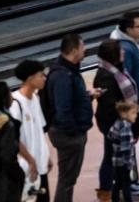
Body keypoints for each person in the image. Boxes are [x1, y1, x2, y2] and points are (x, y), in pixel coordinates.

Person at [46, 33, 98, 202]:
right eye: (83, 47)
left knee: (68, 178)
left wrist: (87, 96)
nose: (85, 50)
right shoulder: (63, 75)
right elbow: (63, 109)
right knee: (67, 179)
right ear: (74, 50)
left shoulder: (66, 71)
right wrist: (75, 131)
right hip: (68, 135)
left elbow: (70, 100)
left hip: (67, 132)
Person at [110, 11, 139, 196]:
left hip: (138, 104)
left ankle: (131, 181)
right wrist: (136, 101)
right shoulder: (124, 48)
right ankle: (126, 184)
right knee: (127, 146)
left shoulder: (131, 43)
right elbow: (125, 77)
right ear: (128, 29)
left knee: (131, 145)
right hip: (134, 106)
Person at [93, 40, 139, 202]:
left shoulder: (115, 69)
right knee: (110, 155)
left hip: (120, 120)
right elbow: (109, 104)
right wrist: (129, 110)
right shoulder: (105, 75)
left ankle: (117, 186)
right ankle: (106, 190)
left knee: (115, 155)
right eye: (120, 50)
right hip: (112, 123)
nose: (123, 52)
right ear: (112, 55)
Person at [10, 60, 52, 202]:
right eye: (41, 75)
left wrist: (46, 154)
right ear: (30, 78)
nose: (44, 79)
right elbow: (14, 138)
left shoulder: (35, 98)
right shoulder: (15, 104)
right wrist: (30, 160)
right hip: (27, 168)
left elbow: (39, 130)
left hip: (40, 165)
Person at [108, 101, 139, 202]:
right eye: (133, 113)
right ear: (124, 114)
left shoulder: (117, 123)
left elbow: (110, 135)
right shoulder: (126, 127)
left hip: (116, 160)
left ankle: (115, 199)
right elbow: (125, 149)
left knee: (117, 182)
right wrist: (129, 163)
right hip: (124, 162)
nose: (136, 116)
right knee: (126, 184)